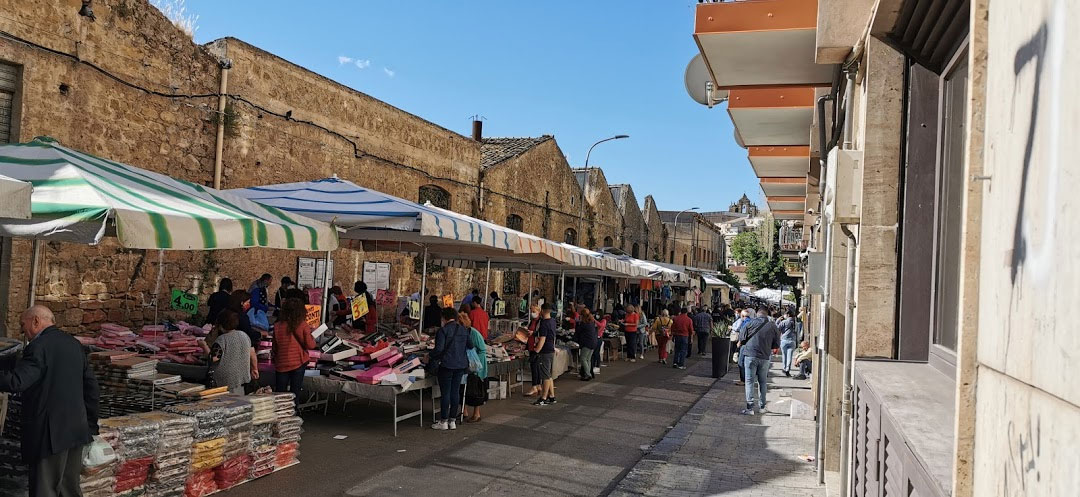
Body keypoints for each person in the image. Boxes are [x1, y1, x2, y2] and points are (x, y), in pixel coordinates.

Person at [0, 306, 99, 497]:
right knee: (69, 489)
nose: (23, 332)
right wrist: (90, 425)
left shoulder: (38, 347)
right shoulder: (73, 344)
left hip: (49, 435)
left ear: (36, 321)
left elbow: (18, 381)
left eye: (23, 325)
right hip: (75, 431)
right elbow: (91, 388)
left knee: (45, 489)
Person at [429, 308, 471, 430]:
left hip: (447, 365)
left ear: (444, 318)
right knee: (455, 391)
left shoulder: (443, 331)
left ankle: (443, 421)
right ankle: (452, 421)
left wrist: (429, 356)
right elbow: (471, 345)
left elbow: (439, 349)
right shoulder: (463, 329)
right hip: (460, 365)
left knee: (445, 393)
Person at [272, 298, 316, 405]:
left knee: (280, 394)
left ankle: (279, 414)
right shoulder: (302, 325)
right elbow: (311, 345)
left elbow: (275, 347)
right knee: (295, 392)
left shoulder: (277, 326)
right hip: (298, 363)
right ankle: (293, 413)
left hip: (281, 363)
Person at [739, 307, 782, 415]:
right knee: (762, 382)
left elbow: (742, 338)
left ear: (757, 314)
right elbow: (777, 344)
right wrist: (767, 346)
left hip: (750, 355)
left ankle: (750, 408)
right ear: (767, 314)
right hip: (765, 356)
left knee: (749, 381)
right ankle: (762, 407)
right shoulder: (773, 325)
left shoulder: (750, 323)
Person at [209, 310, 258, 393]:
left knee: (227, 403)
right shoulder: (244, 335)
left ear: (221, 325)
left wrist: (204, 346)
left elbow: (213, 359)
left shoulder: (221, 340)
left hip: (225, 383)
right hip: (242, 381)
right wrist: (254, 368)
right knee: (238, 402)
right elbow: (252, 353)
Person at [457, 312, 488, 422]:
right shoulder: (462, 333)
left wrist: (472, 359)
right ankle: (463, 411)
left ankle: (476, 414)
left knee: (476, 390)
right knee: (462, 388)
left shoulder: (474, 333)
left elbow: (482, 350)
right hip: (465, 365)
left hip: (476, 366)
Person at [532, 303, 558, 406]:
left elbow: (542, 339)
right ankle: (552, 397)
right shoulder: (552, 321)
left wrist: (536, 351)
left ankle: (543, 398)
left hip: (545, 351)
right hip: (551, 349)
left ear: (542, 310)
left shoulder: (544, 323)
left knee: (546, 376)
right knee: (549, 375)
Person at [524, 305, 543, 397]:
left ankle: (534, 386)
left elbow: (541, 333)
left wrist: (533, 333)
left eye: (534, 311)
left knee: (535, 367)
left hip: (536, 346)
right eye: (531, 311)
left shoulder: (541, 321)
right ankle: (538, 385)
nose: (532, 313)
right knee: (535, 367)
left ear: (538, 311)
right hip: (531, 345)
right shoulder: (532, 321)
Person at [574, 308, 598, 381]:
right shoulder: (591, 322)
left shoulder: (584, 324)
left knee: (583, 358)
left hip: (587, 343)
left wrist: (577, 323)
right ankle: (589, 373)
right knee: (588, 359)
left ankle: (588, 374)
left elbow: (578, 331)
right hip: (593, 342)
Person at [731, 309, 750, 385]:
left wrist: (739, 342)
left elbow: (743, 333)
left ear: (742, 316)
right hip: (749, 345)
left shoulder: (745, 322)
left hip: (744, 344)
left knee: (741, 362)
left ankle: (743, 380)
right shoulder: (751, 321)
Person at [779, 310, 799, 376]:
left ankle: (784, 368)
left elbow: (777, 328)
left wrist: (779, 320)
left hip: (784, 340)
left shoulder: (784, 322)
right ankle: (788, 369)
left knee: (784, 355)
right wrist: (797, 343)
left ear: (787, 315)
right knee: (789, 356)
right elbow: (798, 334)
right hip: (792, 341)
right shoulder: (796, 323)